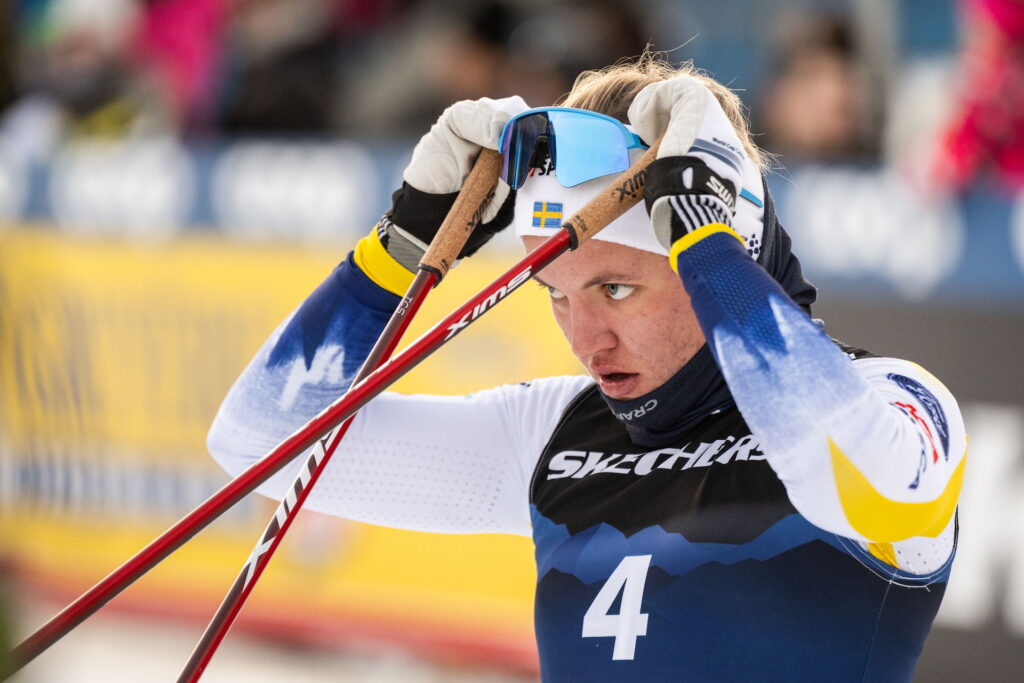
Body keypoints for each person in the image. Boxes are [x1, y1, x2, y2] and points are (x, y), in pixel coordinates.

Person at [208, 54, 966, 681]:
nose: (586, 337)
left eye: (617, 287)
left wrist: (708, 250)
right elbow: (259, 443)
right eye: (558, 297)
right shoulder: (554, 431)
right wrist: (398, 246)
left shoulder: (892, 401)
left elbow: (860, 478)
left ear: (729, 244)